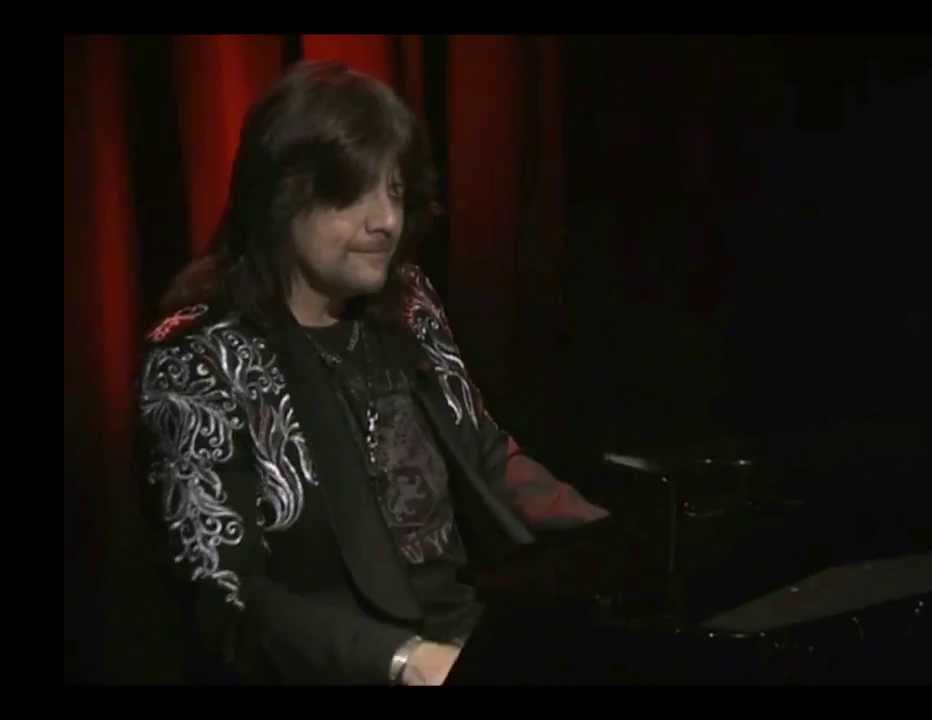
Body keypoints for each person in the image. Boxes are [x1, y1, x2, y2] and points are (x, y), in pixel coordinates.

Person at [136, 60, 615, 685]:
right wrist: (404, 660)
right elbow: (228, 594)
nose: (386, 219)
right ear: (280, 197)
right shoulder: (200, 358)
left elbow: (486, 453)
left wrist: (618, 543)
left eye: (394, 190)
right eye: (354, 192)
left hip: (477, 639)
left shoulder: (408, 303)